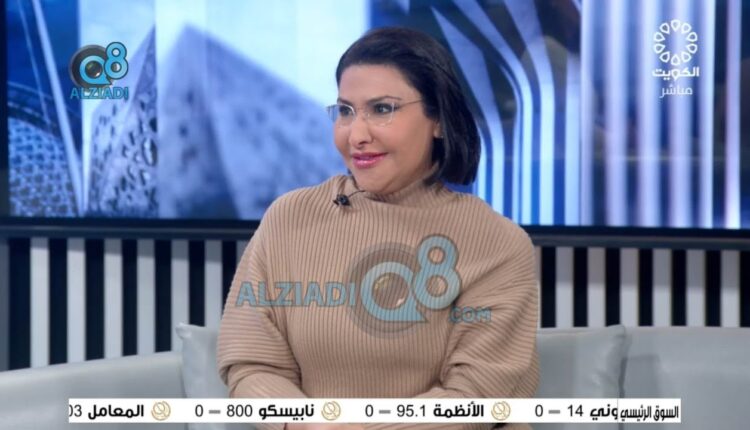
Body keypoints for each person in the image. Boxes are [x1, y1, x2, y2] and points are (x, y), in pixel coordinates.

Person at [217, 26, 539, 430]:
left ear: (438, 120)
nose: (356, 134)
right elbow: (251, 363)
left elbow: (475, 395)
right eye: (345, 111)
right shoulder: (289, 217)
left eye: (382, 109)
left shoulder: (498, 243)